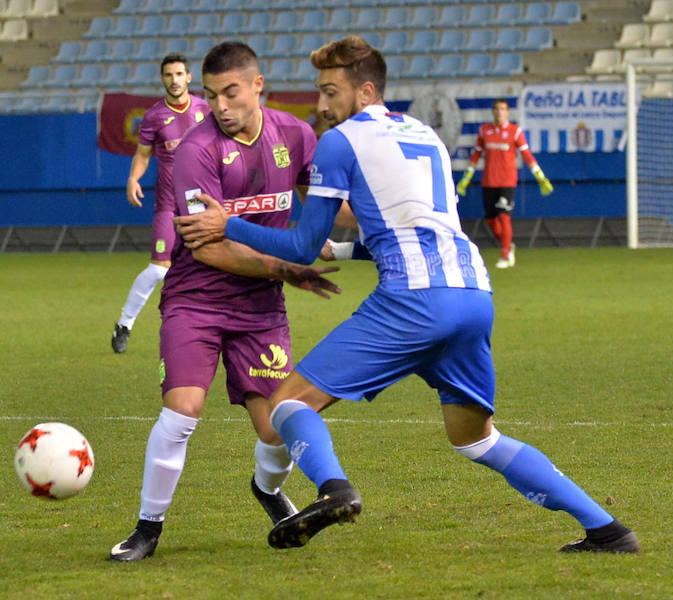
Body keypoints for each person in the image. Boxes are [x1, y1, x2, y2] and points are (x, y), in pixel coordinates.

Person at [174, 36, 640, 555]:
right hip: (471, 293)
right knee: (477, 438)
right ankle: (608, 530)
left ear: (365, 89)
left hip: (412, 302)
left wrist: (228, 222)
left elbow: (302, 247)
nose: (322, 105)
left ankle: (334, 490)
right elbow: (421, 231)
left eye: (330, 91)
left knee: (286, 404)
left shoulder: (339, 141)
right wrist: (348, 252)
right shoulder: (425, 135)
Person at [110, 41, 328, 562]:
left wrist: (375, 225)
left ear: (258, 86)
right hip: (196, 299)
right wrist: (286, 268)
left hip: (261, 310)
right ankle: (148, 527)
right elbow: (207, 249)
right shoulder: (195, 150)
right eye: (212, 96)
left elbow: (325, 208)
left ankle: (267, 490)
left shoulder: (295, 135)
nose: (220, 107)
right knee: (183, 410)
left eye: (231, 92)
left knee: (278, 429)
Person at [111, 54, 210, 353]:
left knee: (211, 266)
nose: (175, 80)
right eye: (169, 75)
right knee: (158, 270)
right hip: (168, 203)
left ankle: (205, 329)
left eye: (180, 74)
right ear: (163, 79)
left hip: (200, 203)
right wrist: (133, 179)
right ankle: (124, 324)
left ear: (189, 77)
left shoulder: (206, 109)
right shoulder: (154, 116)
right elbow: (143, 154)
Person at [455, 98, 554, 270]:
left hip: (507, 182)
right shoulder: (484, 131)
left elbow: (527, 155)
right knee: (491, 220)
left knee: (504, 216)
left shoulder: (515, 132)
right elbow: (476, 155)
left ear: (508, 112)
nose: (500, 112)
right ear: (493, 112)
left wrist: (540, 176)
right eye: (497, 109)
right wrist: (466, 177)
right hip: (489, 181)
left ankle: (505, 254)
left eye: (503, 109)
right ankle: (508, 245)